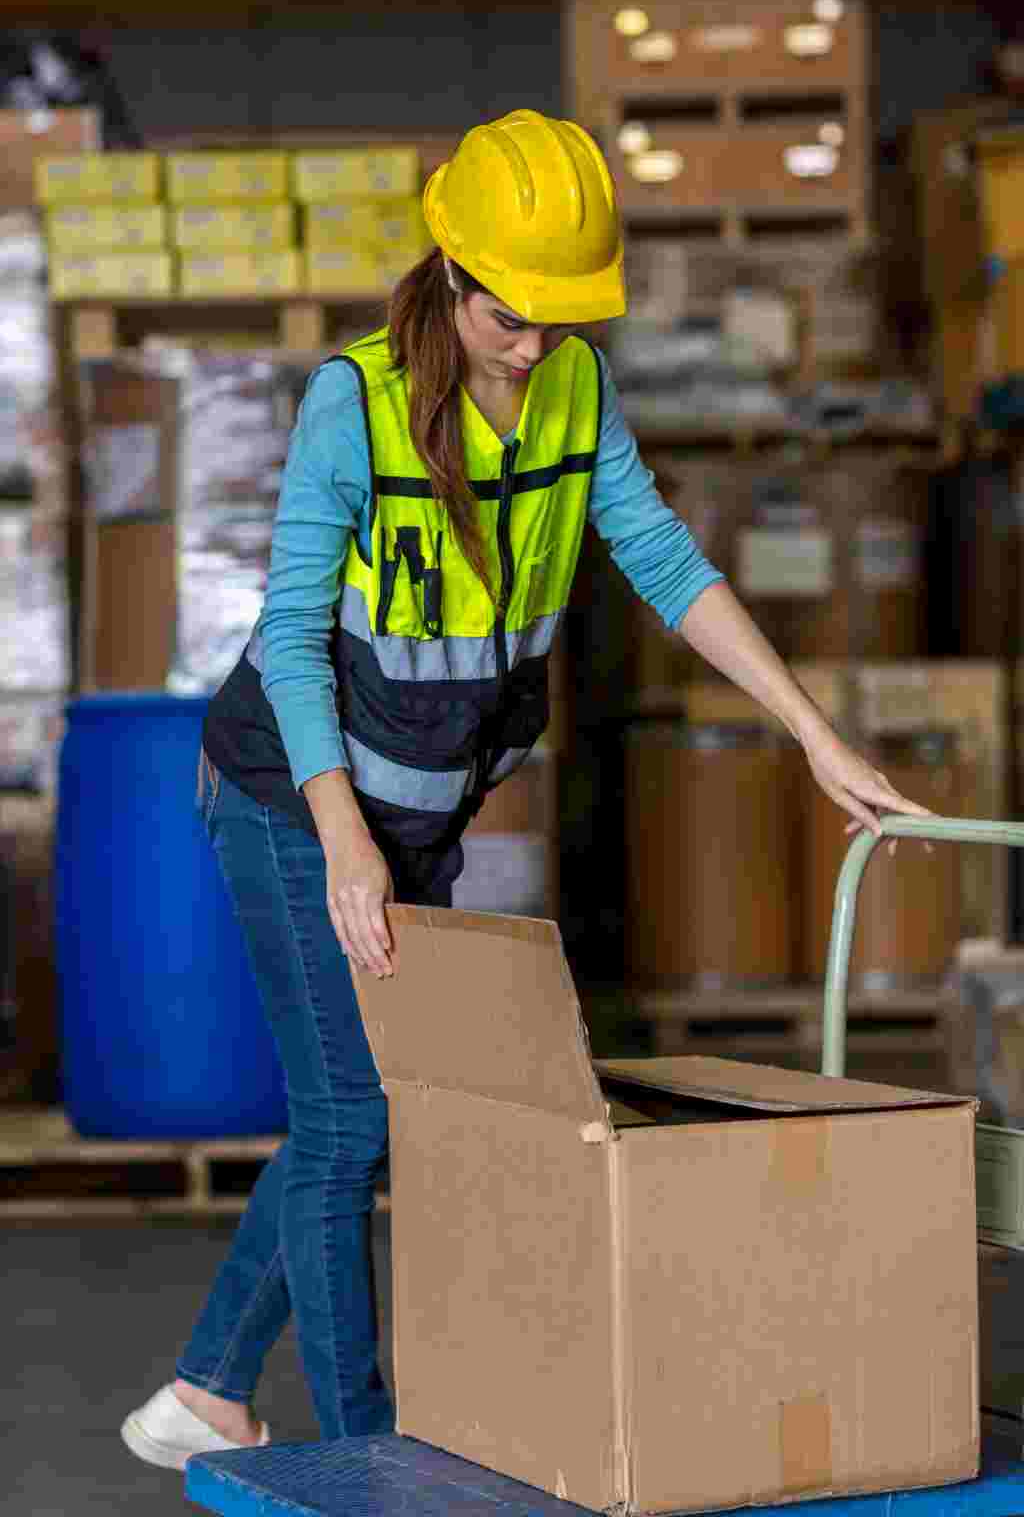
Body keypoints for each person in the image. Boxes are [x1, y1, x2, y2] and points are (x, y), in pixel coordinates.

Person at [121, 109, 931, 1472]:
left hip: (421, 803)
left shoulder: (571, 388)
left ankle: (208, 1391)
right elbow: (297, 628)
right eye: (515, 315)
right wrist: (343, 844)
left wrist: (812, 733)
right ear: (453, 270)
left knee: (354, 1112)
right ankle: (368, 1462)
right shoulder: (356, 402)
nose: (539, 341)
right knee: (355, 1118)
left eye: (564, 318)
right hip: (288, 792)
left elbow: (667, 562)